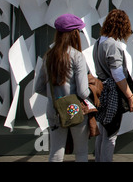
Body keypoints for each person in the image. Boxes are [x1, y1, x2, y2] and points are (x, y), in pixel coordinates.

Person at [35, 13, 90, 162]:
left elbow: (38, 87)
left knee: (56, 152)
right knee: (81, 152)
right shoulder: (77, 56)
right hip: (75, 110)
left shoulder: (48, 56)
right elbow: (83, 92)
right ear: (74, 34)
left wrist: (58, 99)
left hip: (54, 110)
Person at [93, 9, 133, 162]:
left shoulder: (98, 42)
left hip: (102, 92)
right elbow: (118, 75)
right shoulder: (113, 46)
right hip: (113, 94)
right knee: (111, 135)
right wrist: (130, 97)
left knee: (103, 131)